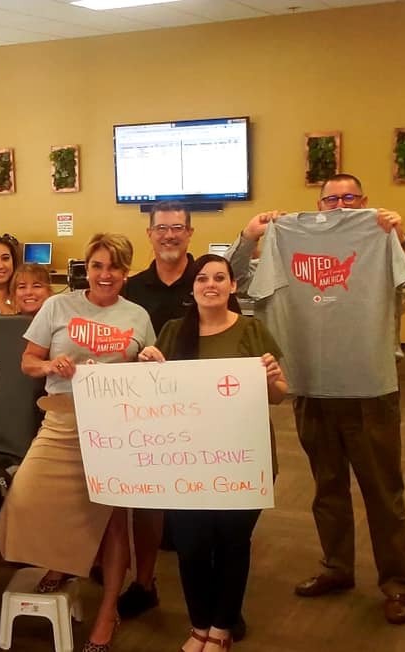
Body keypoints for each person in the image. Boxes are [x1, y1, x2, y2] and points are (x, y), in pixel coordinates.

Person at [227, 173, 405, 625]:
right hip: (311, 388)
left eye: (349, 196)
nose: (340, 203)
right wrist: (248, 236)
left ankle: (397, 584)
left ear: (363, 200)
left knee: (383, 493)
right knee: (327, 490)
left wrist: (403, 237)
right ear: (320, 202)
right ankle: (336, 567)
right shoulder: (284, 238)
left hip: (370, 390)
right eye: (332, 198)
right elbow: (231, 282)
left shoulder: (381, 235)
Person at [0, 233, 159, 652]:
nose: (106, 275)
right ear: (87, 269)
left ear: (126, 272)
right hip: (62, 417)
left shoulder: (138, 316)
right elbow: (28, 361)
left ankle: (108, 611)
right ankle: (66, 562)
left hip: (115, 423)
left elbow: (152, 374)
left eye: (115, 267)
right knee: (28, 495)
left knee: (113, 518)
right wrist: (52, 362)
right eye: (98, 266)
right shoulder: (57, 305)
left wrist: (148, 361)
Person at [144, 254, 287, 652]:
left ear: (232, 286)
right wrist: (149, 366)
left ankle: (222, 627)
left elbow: (278, 398)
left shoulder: (252, 330)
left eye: (220, 277)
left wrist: (272, 379)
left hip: (242, 456)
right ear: (192, 288)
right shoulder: (174, 332)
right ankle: (199, 625)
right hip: (187, 459)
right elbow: (157, 396)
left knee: (232, 543)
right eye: (202, 278)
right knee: (190, 546)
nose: (211, 284)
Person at [120, 199, 198, 618]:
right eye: (161, 228)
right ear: (149, 235)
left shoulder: (206, 280)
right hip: (145, 411)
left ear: (189, 233)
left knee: (195, 510)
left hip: (196, 409)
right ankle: (143, 582)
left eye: (178, 228)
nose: (170, 234)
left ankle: (207, 601)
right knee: (147, 499)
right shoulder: (131, 289)